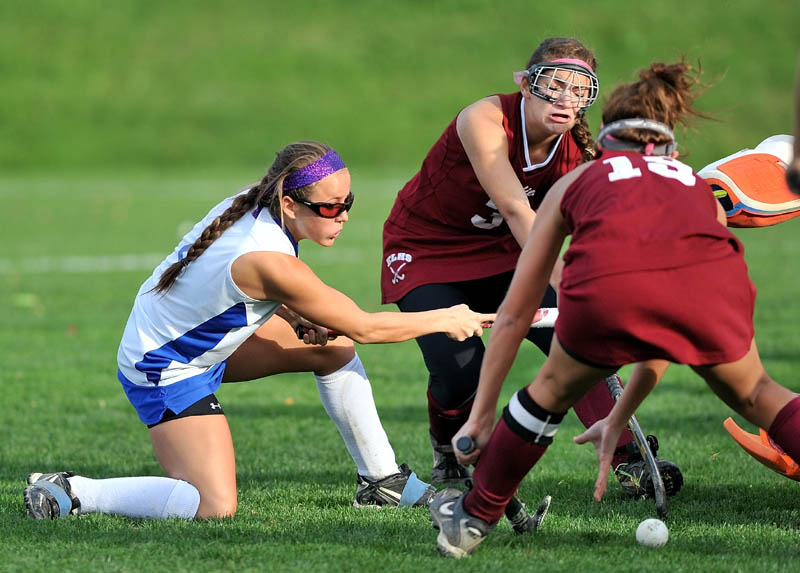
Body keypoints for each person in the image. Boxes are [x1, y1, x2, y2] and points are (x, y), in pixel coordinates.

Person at [426, 61, 800, 558]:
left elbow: (516, 314)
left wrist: (482, 414)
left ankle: (473, 518)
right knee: (757, 392)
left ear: (605, 135)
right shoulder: (695, 186)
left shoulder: (577, 182)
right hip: (714, 289)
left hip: (607, 293)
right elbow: (665, 320)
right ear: (668, 139)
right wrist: (618, 415)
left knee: (549, 394)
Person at [23, 141, 494, 521]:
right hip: (163, 366)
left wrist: (293, 315)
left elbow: (237, 287)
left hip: (193, 344)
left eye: (348, 202)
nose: (344, 216)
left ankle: (381, 481)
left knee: (334, 348)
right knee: (212, 506)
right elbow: (367, 326)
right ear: (289, 203)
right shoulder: (268, 258)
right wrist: (446, 318)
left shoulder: (258, 201)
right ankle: (73, 490)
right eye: (330, 208)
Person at [380, 37, 682, 503]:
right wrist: (574, 286)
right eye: (554, 85)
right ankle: (447, 447)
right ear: (525, 84)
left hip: (507, 252)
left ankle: (629, 459)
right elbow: (516, 210)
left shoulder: (580, 148)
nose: (565, 99)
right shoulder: (483, 118)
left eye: (578, 90)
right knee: (461, 369)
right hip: (429, 250)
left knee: (579, 345)